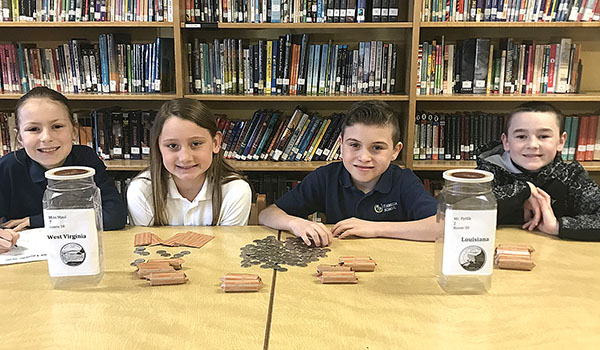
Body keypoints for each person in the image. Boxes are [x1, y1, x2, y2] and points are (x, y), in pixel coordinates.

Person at [258, 100, 438, 246]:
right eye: (354, 145)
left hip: (393, 269)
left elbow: (443, 228)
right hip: (341, 266)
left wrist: (375, 229)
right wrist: (296, 224)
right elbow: (267, 214)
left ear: (395, 151)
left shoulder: (404, 181)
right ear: (341, 144)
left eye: (377, 148)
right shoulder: (326, 177)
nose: (364, 157)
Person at [0, 87, 127, 253]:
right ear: (19, 138)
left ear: (74, 131)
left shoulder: (86, 160)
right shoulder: (7, 167)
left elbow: (114, 216)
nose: (46, 137)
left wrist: (37, 220)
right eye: (33, 129)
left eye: (57, 126)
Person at [476, 101, 600, 241]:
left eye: (543, 136)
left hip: (556, 256)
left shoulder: (572, 177)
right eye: (521, 137)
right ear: (506, 142)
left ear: (561, 141)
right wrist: (523, 191)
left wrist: (558, 226)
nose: (533, 145)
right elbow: (464, 211)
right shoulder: (487, 173)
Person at [127, 98, 251, 226]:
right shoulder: (141, 191)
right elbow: (145, 245)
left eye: (196, 144)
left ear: (215, 143)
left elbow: (228, 245)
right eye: (172, 145)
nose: (185, 158)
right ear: (158, 147)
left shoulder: (235, 190)